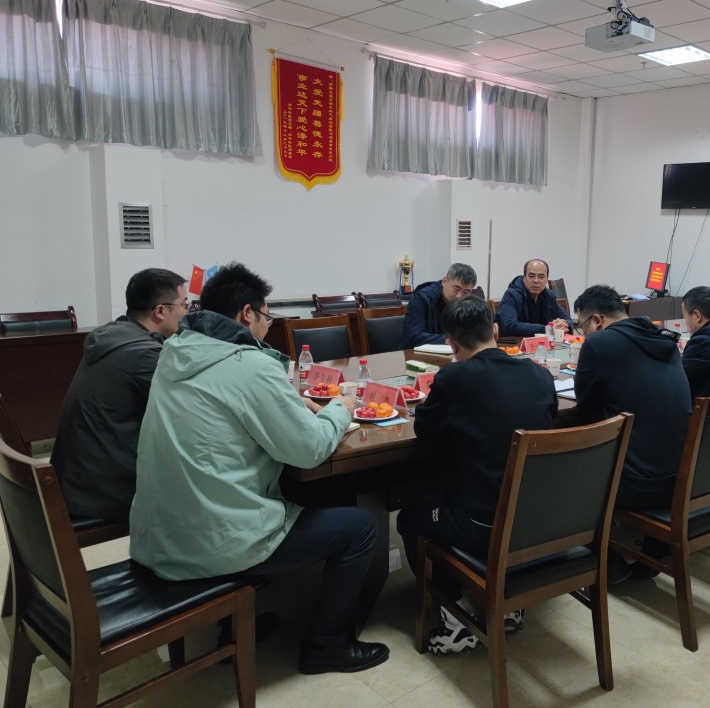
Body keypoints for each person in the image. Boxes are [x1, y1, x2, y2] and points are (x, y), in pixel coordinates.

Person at [129, 262, 388, 675]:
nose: (269, 325)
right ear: (247, 314)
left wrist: (285, 401)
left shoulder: (176, 353)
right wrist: (340, 409)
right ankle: (327, 646)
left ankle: (249, 615)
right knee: (360, 528)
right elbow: (309, 450)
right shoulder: (248, 363)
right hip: (212, 539)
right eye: (267, 315)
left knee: (306, 493)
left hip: (159, 533)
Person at [396, 295, 557, 654]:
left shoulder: (455, 377)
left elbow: (425, 430)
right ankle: (507, 607)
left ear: (451, 344)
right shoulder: (539, 374)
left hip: (486, 525)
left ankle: (456, 623)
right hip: (540, 518)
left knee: (410, 516)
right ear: (495, 331)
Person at [573, 285, 691, 582]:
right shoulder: (663, 338)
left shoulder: (599, 343)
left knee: (565, 461)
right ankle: (654, 546)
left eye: (582, 326)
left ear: (596, 321)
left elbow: (585, 412)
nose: (583, 334)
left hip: (635, 486)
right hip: (681, 478)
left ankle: (602, 558)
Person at [50, 268, 188, 522]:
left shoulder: (114, 337)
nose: (187, 312)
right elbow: (188, 412)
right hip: (101, 494)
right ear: (160, 311)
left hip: (76, 482)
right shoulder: (143, 354)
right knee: (203, 489)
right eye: (184, 304)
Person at [400, 263, 477, 348]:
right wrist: (446, 340)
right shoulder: (422, 298)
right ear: (445, 281)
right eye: (456, 289)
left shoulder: (468, 302)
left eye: (466, 292)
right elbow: (413, 336)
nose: (459, 296)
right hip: (415, 353)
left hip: (453, 351)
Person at [497, 259, 573, 337]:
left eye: (541, 277)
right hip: (512, 342)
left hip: (539, 342)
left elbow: (566, 318)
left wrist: (565, 326)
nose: (536, 281)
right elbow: (510, 326)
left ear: (546, 279)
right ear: (524, 277)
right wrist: (547, 329)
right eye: (531, 276)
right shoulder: (512, 295)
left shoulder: (549, 295)